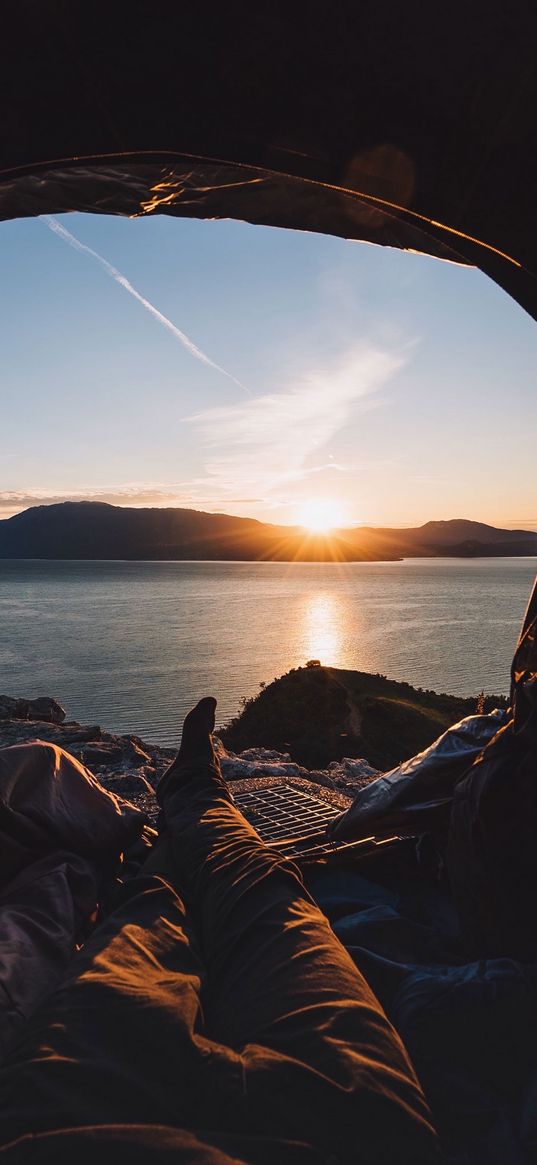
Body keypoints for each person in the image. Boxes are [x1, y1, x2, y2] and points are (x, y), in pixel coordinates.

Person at [0, 699, 439, 1163]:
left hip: (71, 1119)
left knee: (150, 913)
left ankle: (175, 829)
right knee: (264, 889)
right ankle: (195, 793)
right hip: (344, 1128)